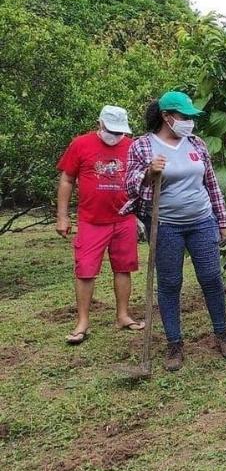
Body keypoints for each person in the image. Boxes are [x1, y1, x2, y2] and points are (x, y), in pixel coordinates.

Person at [122, 91, 226, 371]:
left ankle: (222, 334)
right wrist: (149, 173)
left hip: (201, 220)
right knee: (170, 283)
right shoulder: (143, 146)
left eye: (190, 117)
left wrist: (221, 220)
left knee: (212, 278)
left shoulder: (196, 144)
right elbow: (128, 186)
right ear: (166, 116)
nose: (189, 122)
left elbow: (211, 184)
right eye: (184, 116)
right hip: (164, 225)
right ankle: (174, 343)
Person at [56, 105, 144, 345]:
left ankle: (123, 315)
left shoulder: (132, 145)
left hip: (125, 218)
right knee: (85, 269)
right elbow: (67, 179)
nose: (115, 136)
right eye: (111, 130)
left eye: (120, 132)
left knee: (124, 267)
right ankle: (82, 321)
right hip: (91, 220)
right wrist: (62, 216)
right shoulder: (80, 144)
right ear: (100, 124)